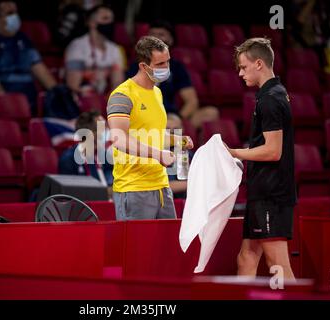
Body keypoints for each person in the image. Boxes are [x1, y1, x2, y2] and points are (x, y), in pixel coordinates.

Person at [226, 38, 297, 280]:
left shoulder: (270, 99)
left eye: (243, 67)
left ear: (259, 64)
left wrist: (234, 152)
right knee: (247, 257)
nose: (239, 73)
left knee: (278, 264)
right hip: (261, 192)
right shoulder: (271, 94)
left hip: (272, 195)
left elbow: (272, 151)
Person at [107, 35, 193, 221]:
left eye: (167, 62)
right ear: (144, 66)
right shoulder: (122, 94)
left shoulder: (157, 92)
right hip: (134, 188)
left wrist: (175, 140)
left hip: (161, 186)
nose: (166, 68)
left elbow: (152, 133)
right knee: (136, 249)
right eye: (160, 64)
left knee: (166, 248)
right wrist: (157, 154)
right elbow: (118, 138)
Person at [127, 20, 219, 128]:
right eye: (152, 35)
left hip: (170, 114)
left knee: (211, 112)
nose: (156, 39)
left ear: (170, 40)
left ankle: (177, 128)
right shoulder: (136, 66)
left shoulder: (177, 67)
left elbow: (191, 101)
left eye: (161, 35)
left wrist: (178, 118)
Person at [0, 0, 57, 114]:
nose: (15, 17)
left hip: (29, 98)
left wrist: (58, 93)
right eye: (10, 13)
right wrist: (3, 100)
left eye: (16, 13)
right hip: (5, 95)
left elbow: (41, 70)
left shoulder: (23, 39)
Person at [64, 4, 125, 96]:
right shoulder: (77, 46)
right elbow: (73, 85)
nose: (110, 22)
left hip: (106, 101)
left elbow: (117, 84)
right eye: (105, 18)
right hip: (81, 99)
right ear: (91, 23)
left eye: (112, 19)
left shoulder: (115, 49)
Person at [59, 111, 113, 191]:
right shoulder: (69, 159)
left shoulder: (104, 156)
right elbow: (70, 194)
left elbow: (113, 181)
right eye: (103, 127)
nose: (108, 131)